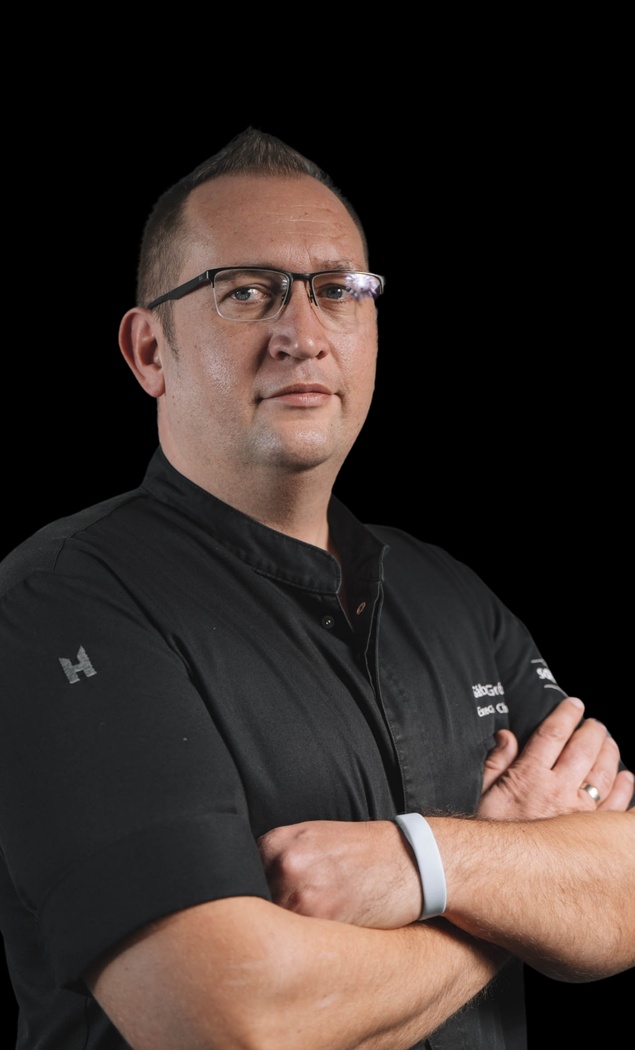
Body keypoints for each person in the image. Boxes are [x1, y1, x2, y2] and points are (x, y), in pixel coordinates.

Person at [0, 126, 633, 1050]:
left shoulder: (450, 596)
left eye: (337, 290)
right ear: (149, 351)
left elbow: (624, 898)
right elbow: (228, 1019)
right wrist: (502, 887)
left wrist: (417, 865)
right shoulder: (60, 605)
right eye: (245, 292)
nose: (301, 336)